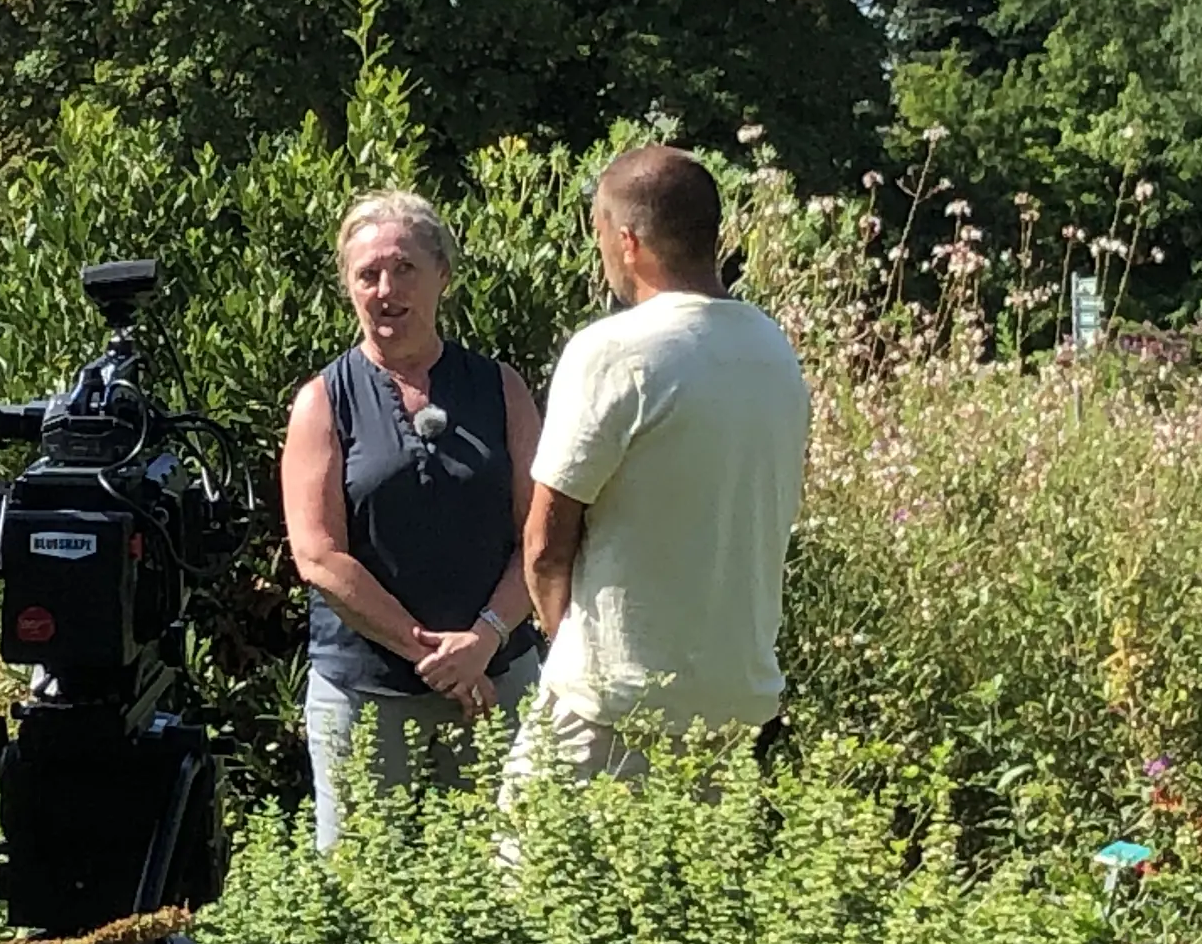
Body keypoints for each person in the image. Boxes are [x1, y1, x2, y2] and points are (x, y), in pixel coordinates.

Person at [510, 144, 809, 789]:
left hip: (615, 704)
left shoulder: (614, 352)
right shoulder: (774, 351)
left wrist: (569, 645)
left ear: (627, 242)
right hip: (736, 703)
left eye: (599, 236)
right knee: (698, 891)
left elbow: (544, 544)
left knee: (530, 882)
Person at [277, 190, 541, 848]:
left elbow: (542, 534)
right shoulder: (321, 401)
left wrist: (483, 640)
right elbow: (318, 557)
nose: (386, 289)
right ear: (348, 285)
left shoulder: (501, 388)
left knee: (511, 886)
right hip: (365, 699)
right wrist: (433, 653)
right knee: (362, 895)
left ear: (443, 275)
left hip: (496, 687)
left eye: (405, 270)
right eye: (368, 274)